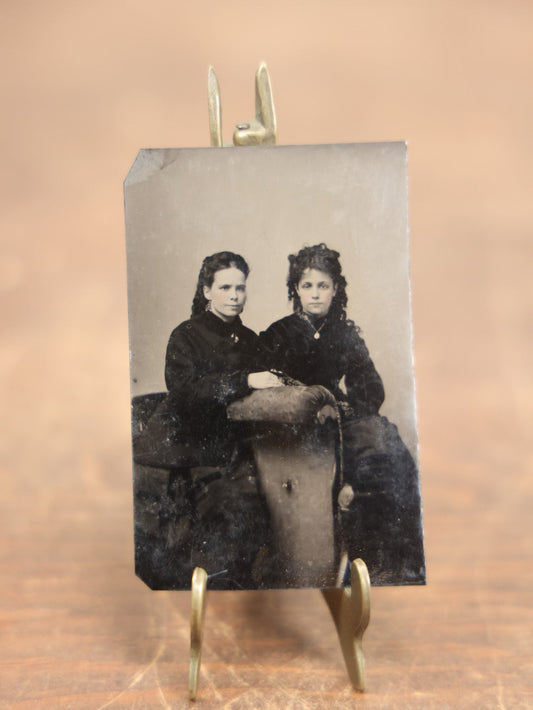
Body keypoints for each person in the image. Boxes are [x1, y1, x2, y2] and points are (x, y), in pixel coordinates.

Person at [259, 243, 425, 584]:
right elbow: (267, 386)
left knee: (385, 445)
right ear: (295, 290)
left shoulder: (344, 333)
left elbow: (371, 386)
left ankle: (387, 561)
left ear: (336, 289)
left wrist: (348, 406)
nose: (315, 294)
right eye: (307, 286)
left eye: (323, 285)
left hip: (340, 419)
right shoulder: (280, 333)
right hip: (297, 425)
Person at [136, 251, 281, 589]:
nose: (234, 296)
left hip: (231, 445)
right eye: (225, 287)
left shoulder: (251, 341)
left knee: (258, 512)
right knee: (214, 516)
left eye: (240, 288)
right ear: (206, 291)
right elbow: (186, 391)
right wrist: (244, 380)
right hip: (183, 447)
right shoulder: (186, 336)